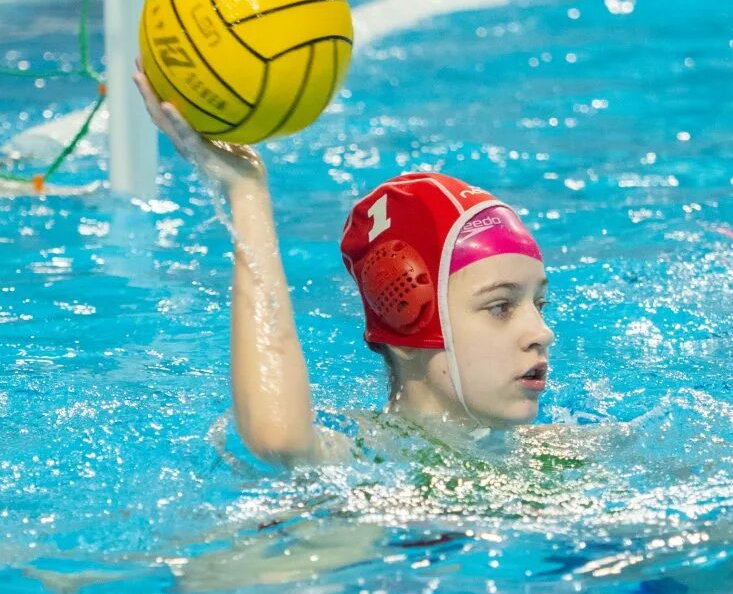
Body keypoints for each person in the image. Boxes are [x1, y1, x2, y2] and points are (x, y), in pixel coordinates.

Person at [133, 68, 554, 468]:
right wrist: (246, 192)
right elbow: (278, 437)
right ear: (407, 317)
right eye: (500, 306)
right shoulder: (369, 455)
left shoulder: (561, 451)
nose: (541, 333)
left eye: (540, 303)